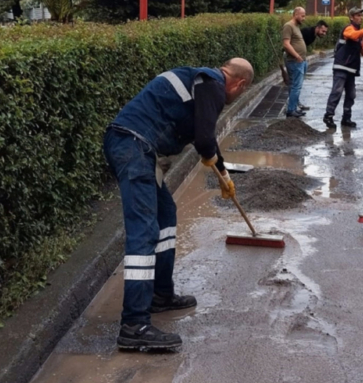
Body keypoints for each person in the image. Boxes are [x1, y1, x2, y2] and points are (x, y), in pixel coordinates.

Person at [103, 58, 254, 349]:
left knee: (165, 215)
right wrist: (215, 163)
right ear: (239, 83)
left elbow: (206, 137)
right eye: (240, 91)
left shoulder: (201, 82)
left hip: (136, 146)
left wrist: (223, 174)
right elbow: (205, 138)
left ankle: (160, 295)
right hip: (132, 144)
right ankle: (134, 325)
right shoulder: (212, 83)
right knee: (145, 231)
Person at [323, 7, 363, 129]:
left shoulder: (359, 35)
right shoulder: (349, 29)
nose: (361, 17)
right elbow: (352, 35)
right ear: (351, 17)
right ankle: (328, 116)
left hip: (351, 69)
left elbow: (362, 49)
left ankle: (346, 118)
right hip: (341, 66)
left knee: (351, 94)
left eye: (361, 15)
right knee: (337, 91)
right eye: (358, 15)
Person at [282, 7, 308, 118]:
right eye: (302, 16)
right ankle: (291, 110)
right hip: (294, 61)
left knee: (295, 86)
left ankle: (293, 108)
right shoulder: (288, 26)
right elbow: (286, 44)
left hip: (301, 61)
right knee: (296, 86)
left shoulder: (296, 27)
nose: (304, 18)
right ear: (296, 14)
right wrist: (297, 55)